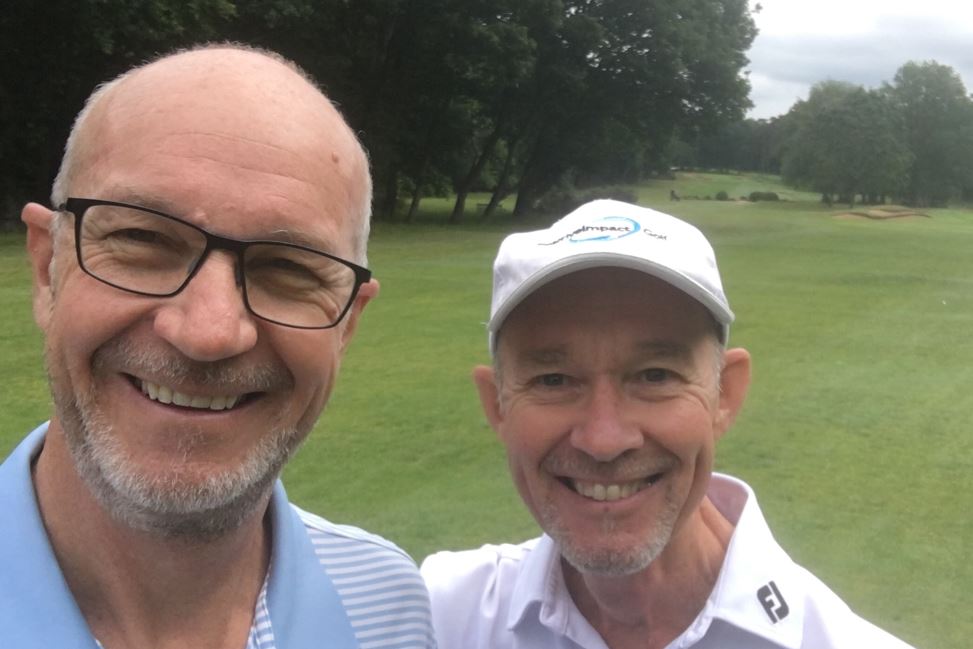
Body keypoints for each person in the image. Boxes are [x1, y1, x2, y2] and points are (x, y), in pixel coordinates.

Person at [1, 44, 435, 648]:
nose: (209, 332)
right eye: (142, 238)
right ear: (48, 268)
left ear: (346, 325)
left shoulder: (387, 607)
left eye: (289, 268)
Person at [421, 199, 914, 649]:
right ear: (497, 405)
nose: (604, 440)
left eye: (655, 376)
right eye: (553, 380)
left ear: (724, 394)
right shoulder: (435, 618)